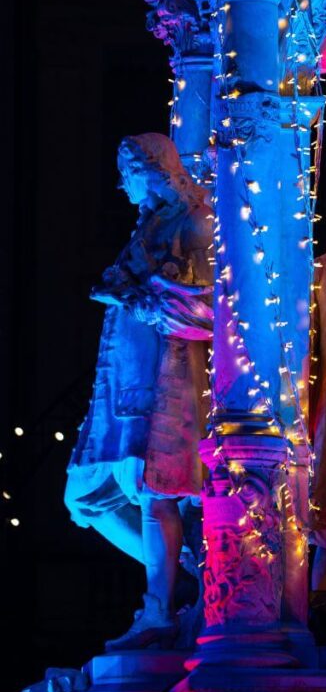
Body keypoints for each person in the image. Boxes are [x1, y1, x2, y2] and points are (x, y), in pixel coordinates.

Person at [65, 133, 213, 650]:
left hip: (167, 375)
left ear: (151, 170)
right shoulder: (152, 223)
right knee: (86, 497)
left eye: (127, 171)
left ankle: (160, 604)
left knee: (158, 493)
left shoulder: (193, 222)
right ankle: (188, 573)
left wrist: (142, 298)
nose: (121, 183)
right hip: (126, 379)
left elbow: (208, 310)